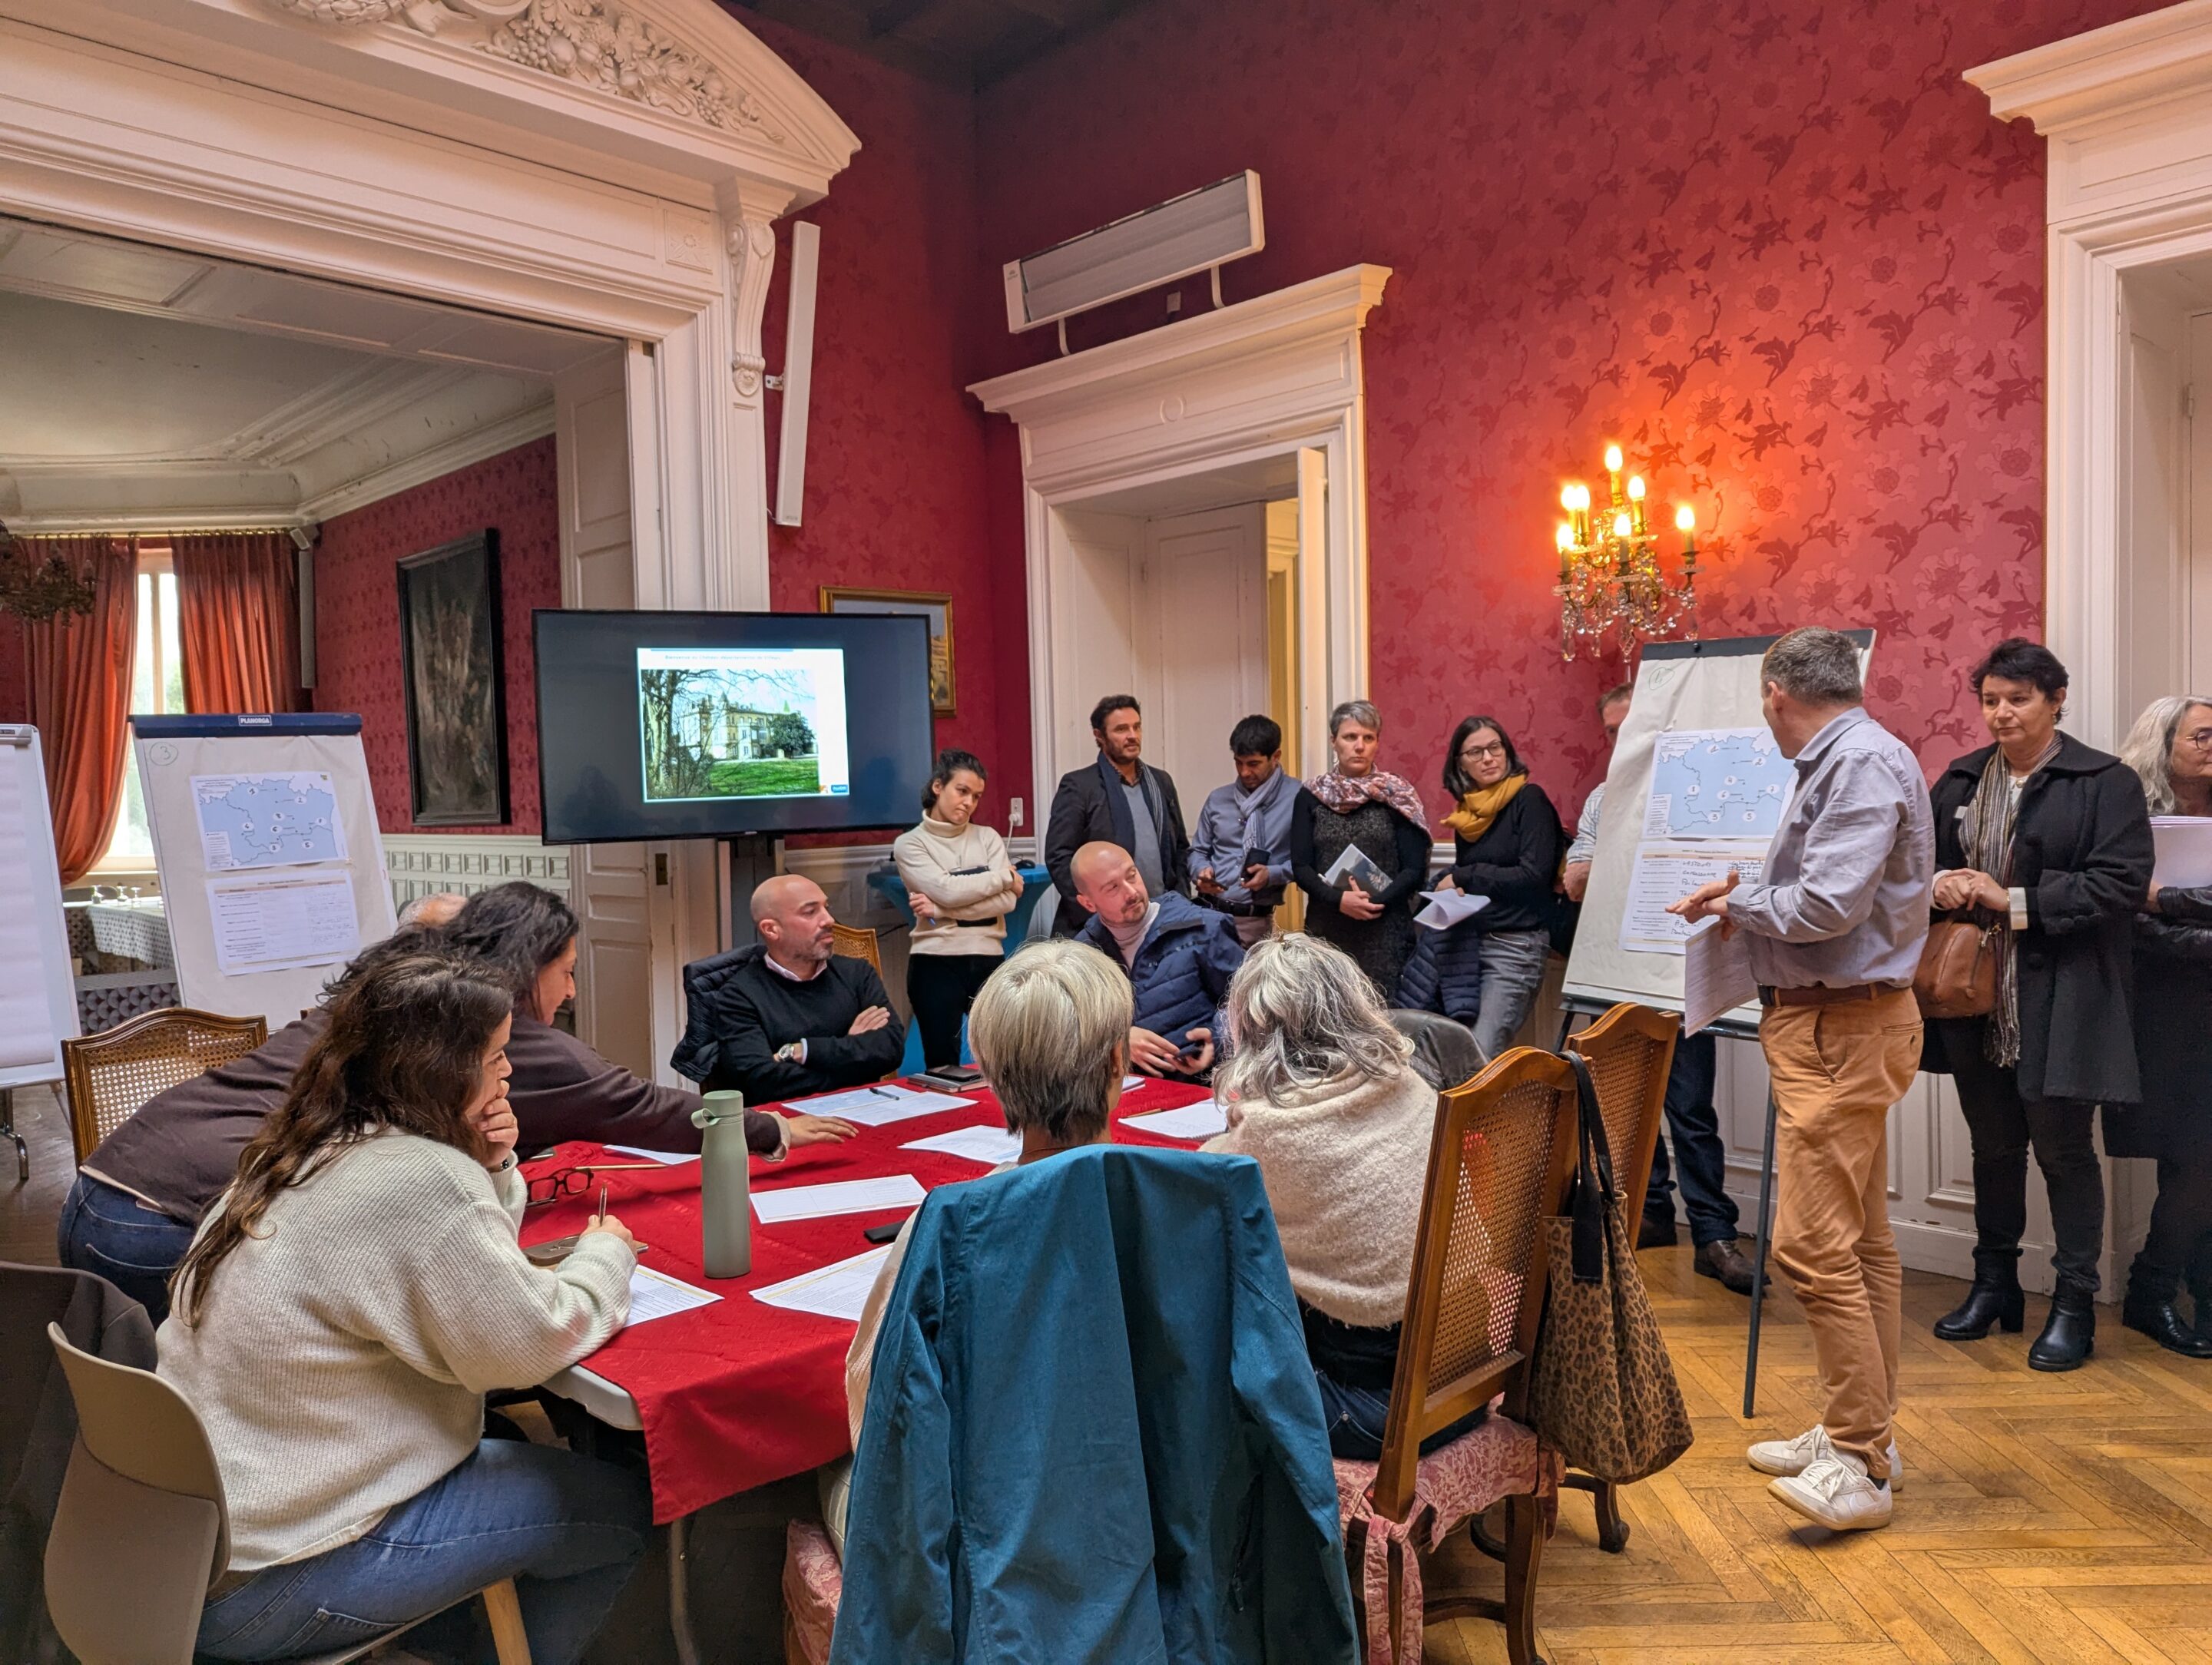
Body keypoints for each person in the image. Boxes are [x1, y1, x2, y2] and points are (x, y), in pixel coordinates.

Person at [157, 945, 650, 1663]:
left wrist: (489, 1166)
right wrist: (607, 1254)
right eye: (495, 1056)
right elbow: (526, 1343)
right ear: (440, 1069)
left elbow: (458, 1268)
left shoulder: (304, 1145)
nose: (508, 1073)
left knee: (514, 1455)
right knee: (629, 1510)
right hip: (281, 1576)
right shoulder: (418, 1175)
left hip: (190, 1553)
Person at [62, 883, 852, 1319]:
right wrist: (765, 1128)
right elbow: (634, 1105)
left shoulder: (404, 984)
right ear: (530, 965)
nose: (572, 993)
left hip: (107, 1185)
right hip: (172, 1221)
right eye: (568, 971)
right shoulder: (476, 1027)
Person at [1669, 626, 1932, 1532]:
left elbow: (1826, 905)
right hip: (1844, 1022)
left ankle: (1859, 1459)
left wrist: (1737, 901)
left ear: (1776, 692)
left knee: (1813, 1249)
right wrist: (1748, 897)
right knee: (1863, 1244)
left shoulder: (1855, 762)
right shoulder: (1859, 755)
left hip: (1841, 1027)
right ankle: (1864, 1431)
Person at [828, 938, 1134, 1554]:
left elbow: (878, 1398)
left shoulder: (951, 1222)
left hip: (999, 1540)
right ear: (1117, 1063)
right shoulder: (1189, 1202)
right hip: (1156, 1514)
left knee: (827, 1471)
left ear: (989, 1077)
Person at [1919, 639, 2152, 1372]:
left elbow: (2120, 885)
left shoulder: (2105, 781)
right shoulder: (1962, 777)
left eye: (2018, 699)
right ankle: (1994, 1287)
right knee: (1992, 1148)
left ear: (2056, 701)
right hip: (1971, 995)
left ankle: (2074, 1304)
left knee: (2064, 1152)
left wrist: (2012, 899)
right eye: (1990, 700)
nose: (2002, 713)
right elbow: (1914, 863)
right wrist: (1940, 884)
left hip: (2065, 995)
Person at [1204, 935, 1479, 1459]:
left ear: (1252, 1030)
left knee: (1205, 1342)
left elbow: (1209, 1178)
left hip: (1384, 1411)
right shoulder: (1409, 1086)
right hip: (1466, 1370)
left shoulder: (1271, 1133)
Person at [1560, 684, 1755, 1293]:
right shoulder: (1604, 799)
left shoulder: (1708, 791)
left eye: (1630, 729)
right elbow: (1574, 883)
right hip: (1618, 975)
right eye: (1612, 732)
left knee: (1691, 1109)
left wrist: (1634, 863)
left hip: (1682, 973)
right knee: (1627, 1106)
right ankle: (1652, 1213)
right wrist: (1634, 856)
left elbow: (1734, 875)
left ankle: (1714, 1234)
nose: (1622, 741)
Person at [2111, 696, 2212, 1356]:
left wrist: (2168, 899)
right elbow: (2124, 916)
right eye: (2202, 736)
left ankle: (2185, 1285)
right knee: (2193, 1154)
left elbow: (2152, 906)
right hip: (2163, 1015)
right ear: (2163, 743)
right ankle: (2152, 1288)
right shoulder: (2129, 820)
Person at [672, 874, 908, 1103]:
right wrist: (852, 1056)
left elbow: (891, 1050)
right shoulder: (738, 995)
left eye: (826, 908)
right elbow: (762, 1082)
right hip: (788, 1121)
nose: (829, 920)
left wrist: (802, 1051)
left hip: (865, 1108)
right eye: (810, 912)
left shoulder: (857, 973)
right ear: (771, 929)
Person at [1289, 700, 1432, 1001]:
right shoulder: (1310, 796)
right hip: (1327, 929)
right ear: (1334, 741)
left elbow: (1414, 869)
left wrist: (1372, 903)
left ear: (1377, 743)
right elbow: (1301, 867)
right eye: (1350, 737)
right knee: (1327, 1015)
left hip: (1386, 931)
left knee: (1386, 1017)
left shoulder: (1396, 794)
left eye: (1368, 738)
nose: (1359, 746)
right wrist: (1341, 900)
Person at [1439, 713, 1561, 1060]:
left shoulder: (1529, 799)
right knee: (1453, 1054)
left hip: (1516, 946)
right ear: (1460, 764)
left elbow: (1533, 876)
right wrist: (1453, 893)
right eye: (1475, 752)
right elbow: (1478, 885)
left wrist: (1464, 876)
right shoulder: (1467, 816)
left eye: (1495, 747)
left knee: (1479, 1058)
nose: (1488, 758)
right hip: (1469, 944)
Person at [892, 749, 1023, 1070]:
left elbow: (1007, 902)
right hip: (935, 962)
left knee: (1005, 1063)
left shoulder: (988, 837)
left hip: (989, 959)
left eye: (976, 796)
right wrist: (1004, 877)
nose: (969, 803)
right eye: (962, 791)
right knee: (943, 1067)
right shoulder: (910, 844)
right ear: (938, 787)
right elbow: (947, 891)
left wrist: (942, 910)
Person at [1070, 840, 1245, 1077]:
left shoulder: (1204, 928)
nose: (1132, 892)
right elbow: (1069, 1034)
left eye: (1132, 876)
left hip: (1204, 1085)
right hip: (1122, 1091)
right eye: (1113, 888)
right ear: (1088, 903)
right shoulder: (1081, 956)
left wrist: (1219, 1038)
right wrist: (1117, 1041)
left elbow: (1253, 1004)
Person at [1042, 694, 1191, 935]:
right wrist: (1096, 913)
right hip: (1100, 925)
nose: (1132, 735)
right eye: (1121, 729)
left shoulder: (1161, 782)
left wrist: (1181, 900)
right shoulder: (1079, 786)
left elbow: (1181, 848)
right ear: (1099, 736)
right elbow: (1059, 856)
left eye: (1137, 727)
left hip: (1161, 918)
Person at [1187, 714, 1298, 948]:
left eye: (1253, 764)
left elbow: (1308, 862)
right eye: (1239, 763)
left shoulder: (1297, 798)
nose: (1245, 772)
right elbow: (1198, 851)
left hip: (1255, 920)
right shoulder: (1218, 799)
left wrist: (1273, 874)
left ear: (1276, 756)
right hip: (1208, 914)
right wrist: (1200, 871)